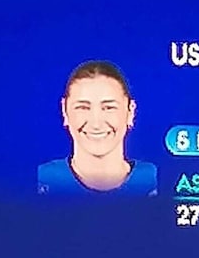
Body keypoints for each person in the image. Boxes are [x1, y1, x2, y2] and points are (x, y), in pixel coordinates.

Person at [38, 61, 157, 196]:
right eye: (83, 107)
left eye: (109, 107)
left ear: (130, 111)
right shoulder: (40, 181)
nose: (96, 124)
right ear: (65, 111)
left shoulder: (156, 181)